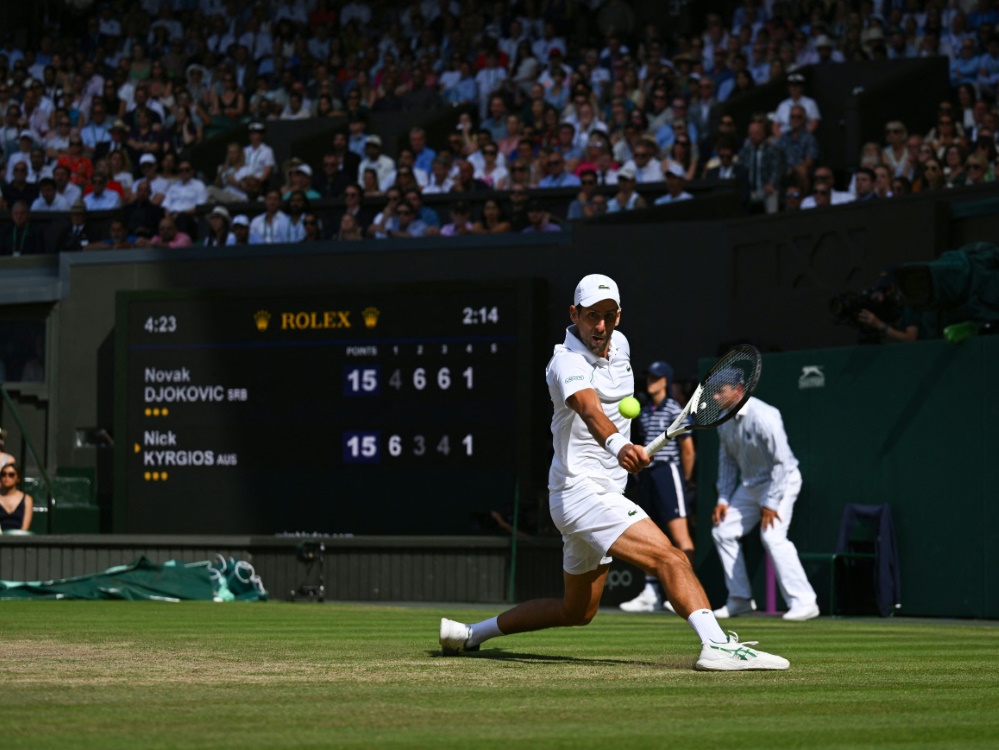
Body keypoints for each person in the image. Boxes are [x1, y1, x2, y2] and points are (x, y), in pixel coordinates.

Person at [440, 275, 790, 671]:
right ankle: (717, 646)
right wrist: (619, 446)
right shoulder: (565, 362)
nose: (600, 326)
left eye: (608, 316)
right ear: (574, 315)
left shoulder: (619, 345)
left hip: (595, 493)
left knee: (577, 611)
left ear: (618, 316)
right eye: (591, 317)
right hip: (581, 492)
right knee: (671, 557)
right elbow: (590, 410)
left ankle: (470, 634)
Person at [710, 369, 820, 622]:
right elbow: (727, 461)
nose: (715, 397)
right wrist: (723, 498)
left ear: (738, 391)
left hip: (781, 481)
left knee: (771, 537)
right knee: (722, 531)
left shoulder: (764, 416)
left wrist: (771, 503)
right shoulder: (722, 419)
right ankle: (739, 600)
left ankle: (805, 602)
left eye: (720, 391)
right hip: (750, 485)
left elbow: (781, 463)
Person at [619, 361, 696, 614]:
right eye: (649, 377)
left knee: (680, 536)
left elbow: (687, 450)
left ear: (666, 381)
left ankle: (686, 593)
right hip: (649, 476)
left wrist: (683, 481)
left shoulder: (675, 409)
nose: (650, 381)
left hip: (668, 473)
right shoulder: (644, 411)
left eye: (656, 377)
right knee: (649, 537)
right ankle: (650, 592)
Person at [0, 462, 32, 532]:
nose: (7, 477)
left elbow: (25, 528)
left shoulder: (27, 499)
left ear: (18, 478)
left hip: (20, 539)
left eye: (11, 475)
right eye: (3, 474)